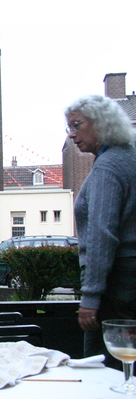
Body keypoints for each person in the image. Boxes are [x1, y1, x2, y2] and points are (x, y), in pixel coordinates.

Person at [66, 94, 136, 370]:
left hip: (116, 286)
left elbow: (101, 236)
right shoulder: (129, 157)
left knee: (104, 365)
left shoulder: (108, 167)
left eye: (76, 125)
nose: (72, 135)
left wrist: (90, 299)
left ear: (102, 123)